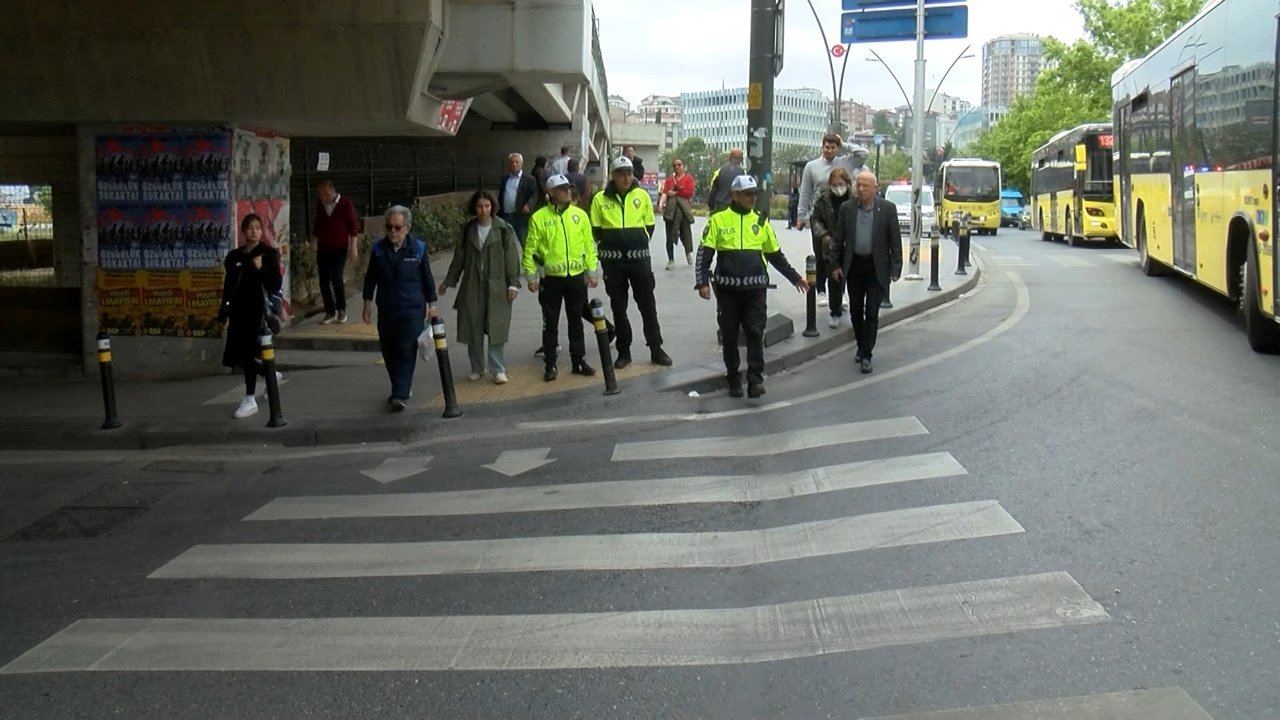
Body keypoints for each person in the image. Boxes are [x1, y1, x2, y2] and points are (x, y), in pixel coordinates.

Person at [695, 175, 808, 399]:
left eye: (754, 193)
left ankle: (755, 378)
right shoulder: (718, 220)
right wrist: (702, 282)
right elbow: (704, 253)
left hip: (755, 290)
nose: (752, 198)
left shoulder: (761, 221)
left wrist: (795, 278)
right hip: (727, 290)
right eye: (748, 194)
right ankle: (733, 377)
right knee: (729, 334)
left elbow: (775, 255)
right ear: (735, 196)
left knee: (755, 332)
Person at [590, 156, 671, 368]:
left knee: (648, 305)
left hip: (639, 262)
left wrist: (638, 241)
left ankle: (656, 348)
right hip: (613, 264)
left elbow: (650, 225)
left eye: (629, 173)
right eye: (621, 174)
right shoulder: (600, 199)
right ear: (613, 176)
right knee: (619, 307)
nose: (626, 177)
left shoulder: (641, 196)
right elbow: (595, 230)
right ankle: (624, 351)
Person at [361, 205, 440, 410]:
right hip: (387, 309)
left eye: (397, 227)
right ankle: (400, 386)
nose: (392, 232)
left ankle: (400, 394)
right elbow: (370, 278)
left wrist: (432, 305)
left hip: (412, 310)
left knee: (406, 350)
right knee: (389, 351)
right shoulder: (379, 249)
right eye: (389, 227)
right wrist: (367, 303)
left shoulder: (418, 249)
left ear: (407, 228)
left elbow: (428, 280)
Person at [439, 190, 521, 385]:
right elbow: (459, 258)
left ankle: (498, 369)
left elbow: (511, 258)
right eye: (479, 206)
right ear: (474, 208)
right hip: (472, 283)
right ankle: (477, 367)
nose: (483, 210)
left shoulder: (503, 229)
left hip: (497, 283)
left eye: (487, 206)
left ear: (492, 207)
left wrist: (513, 284)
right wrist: (449, 281)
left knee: (496, 326)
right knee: (472, 326)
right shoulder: (468, 229)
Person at [524, 174, 598, 381]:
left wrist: (591, 272)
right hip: (551, 280)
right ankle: (550, 365)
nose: (568, 191)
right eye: (562, 188)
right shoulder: (539, 218)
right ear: (551, 193)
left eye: (569, 188)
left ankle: (579, 361)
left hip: (575, 278)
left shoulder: (579, 215)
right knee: (551, 324)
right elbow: (530, 249)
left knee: (576, 321)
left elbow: (589, 246)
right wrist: (531, 277)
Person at [830, 169, 902, 375]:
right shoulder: (847, 208)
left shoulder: (887, 209)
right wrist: (835, 265)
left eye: (865, 186)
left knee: (871, 311)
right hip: (854, 267)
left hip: (877, 267)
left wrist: (896, 268)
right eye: (858, 185)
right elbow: (838, 239)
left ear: (876, 189)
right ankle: (861, 345)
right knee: (855, 311)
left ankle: (866, 354)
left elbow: (895, 240)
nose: (860, 189)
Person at [219, 213, 283, 419]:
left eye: (258, 227)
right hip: (239, 311)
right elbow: (229, 286)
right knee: (238, 354)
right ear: (244, 231)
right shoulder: (234, 257)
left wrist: (260, 269)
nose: (254, 231)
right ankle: (268, 374)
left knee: (248, 353)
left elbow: (275, 284)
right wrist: (223, 310)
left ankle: (250, 397)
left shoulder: (268, 254)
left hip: (257, 312)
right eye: (250, 227)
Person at [310, 178, 359, 324]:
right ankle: (330, 311)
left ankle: (341, 308)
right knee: (324, 280)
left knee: (336, 277)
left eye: (325, 193)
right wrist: (313, 240)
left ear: (332, 190)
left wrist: (353, 247)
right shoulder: (321, 205)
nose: (323, 197)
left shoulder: (344, 203)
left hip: (340, 248)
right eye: (320, 194)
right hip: (324, 248)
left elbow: (353, 227)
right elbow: (318, 223)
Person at [810, 167, 853, 329]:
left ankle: (852, 304)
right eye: (834, 185)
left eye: (841, 184)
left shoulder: (855, 199)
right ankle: (835, 312)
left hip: (851, 245)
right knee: (834, 277)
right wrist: (825, 237)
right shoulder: (822, 201)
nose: (838, 188)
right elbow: (815, 220)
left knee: (853, 278)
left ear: (848, 184)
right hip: (831, 245)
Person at [657, 157, 695, 270]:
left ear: (684, 166)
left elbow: (689, 192)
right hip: (670, 212)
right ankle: (671, 260)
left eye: (679, 164)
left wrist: (674, 192)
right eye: (675, 165)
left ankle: (688, 252)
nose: (677, 167)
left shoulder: (689, 179)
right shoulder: (669, 180)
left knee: (686, 234)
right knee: (669, 236)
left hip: (684, 211)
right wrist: (660, 205)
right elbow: (665, 193)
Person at [497, 152, 538, 248]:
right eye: (511, 162)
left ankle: (528, 262)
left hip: (520, 217)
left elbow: (534, 195)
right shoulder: (505, 179)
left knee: (523, 240)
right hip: (506, 216)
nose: (514, 164)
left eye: (516, 162)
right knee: (505, 242)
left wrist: (529, 205)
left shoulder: (529, 180)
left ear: (521, 164)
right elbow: (501, 194)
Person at [707, 148, 745, 213]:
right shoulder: (742, 172)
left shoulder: (720, 170)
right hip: (734, 208)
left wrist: (711, 207)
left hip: (720, 206)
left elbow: (713, 191)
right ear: (741, 159)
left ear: (730, 157)